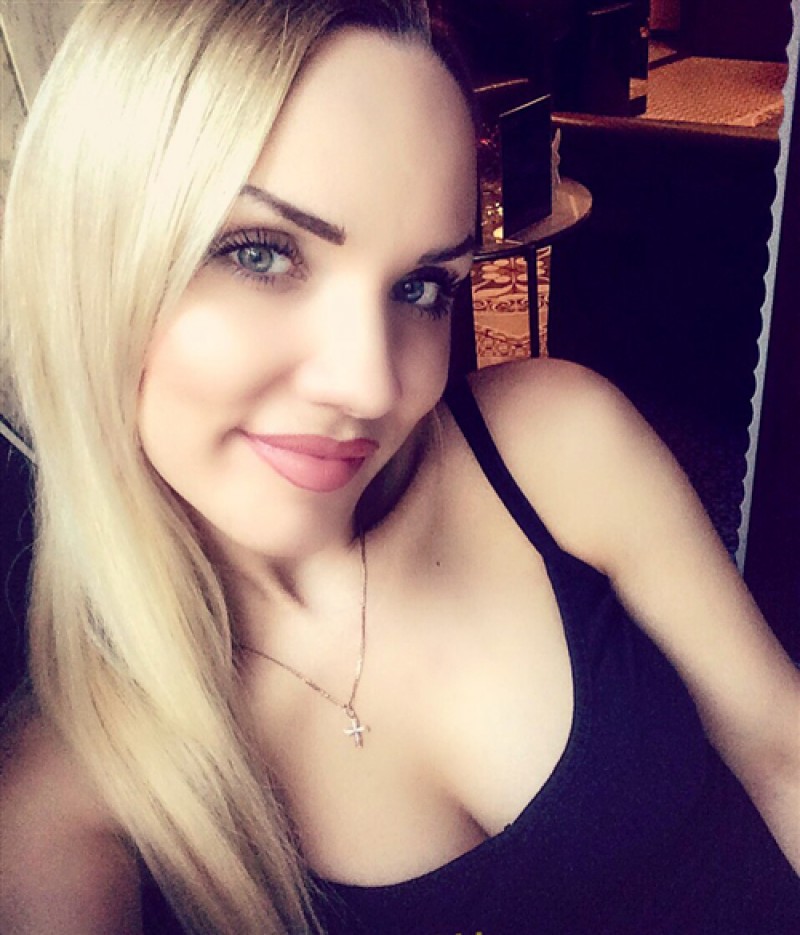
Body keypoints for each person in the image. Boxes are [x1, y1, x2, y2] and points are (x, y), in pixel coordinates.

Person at [0, 1, 798, 933]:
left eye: (421, 286)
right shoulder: (65, 808)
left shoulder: (551, 447)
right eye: (260, 253)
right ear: (90, 262)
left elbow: (781, 748)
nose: (371, 384)